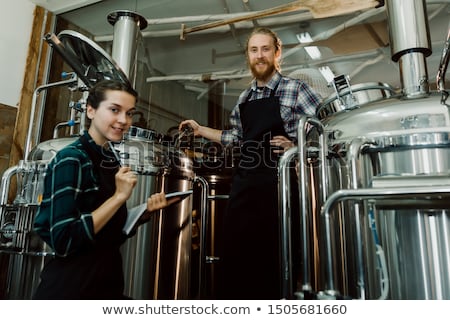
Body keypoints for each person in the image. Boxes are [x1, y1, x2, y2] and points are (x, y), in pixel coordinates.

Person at [179, 27, 321, 299]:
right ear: (248, 56)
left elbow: (324, 128)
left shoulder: (296, 89)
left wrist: (297, 147)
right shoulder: (245, 98)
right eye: (254, 50)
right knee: (237, 258)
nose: (259, 56)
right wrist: (200, 130)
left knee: (276, 260)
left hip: (280, 190)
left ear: (277, 53)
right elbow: (235, 138)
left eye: (265, 49)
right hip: (244, 188)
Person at [32, 80, 174, 299]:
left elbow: (105, 234)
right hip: (72, 291)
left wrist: (142, 214)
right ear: (90, 110)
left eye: (129, 113)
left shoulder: (108, 159)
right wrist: (118, 197)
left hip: (106, 285)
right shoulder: (71, 159)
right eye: (114, 110)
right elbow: (64, 240)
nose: (123, 120)